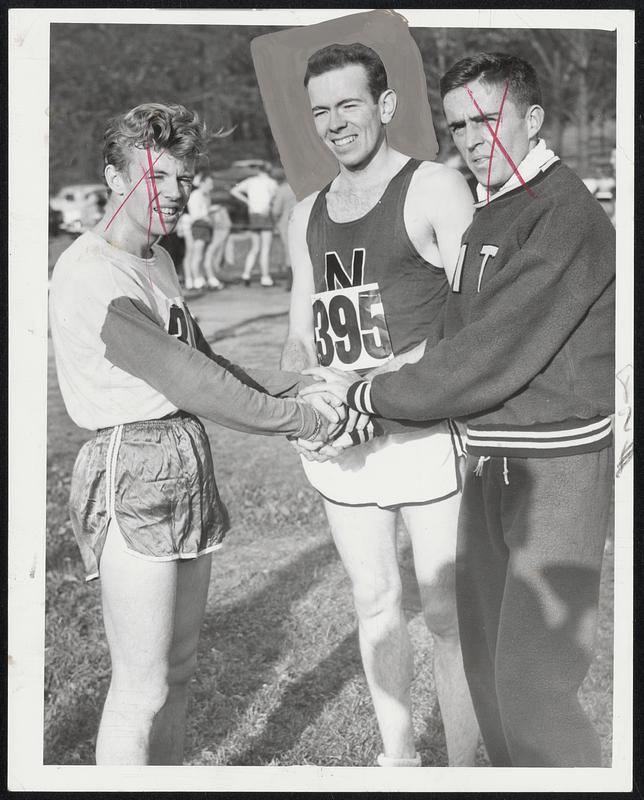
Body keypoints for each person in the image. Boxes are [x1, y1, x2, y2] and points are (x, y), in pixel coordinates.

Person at [303, 53, 615, 767]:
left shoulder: (564, 215)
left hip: (555, 468)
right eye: (458, 125)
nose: (474, 138)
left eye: (489, 119)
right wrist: (369, 389)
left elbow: (488, 356)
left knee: (534, 685)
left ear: (531, 119)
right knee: (484, 663)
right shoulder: (497, 204)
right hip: (491, 460)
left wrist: (368, 397)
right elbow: (453, 328)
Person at [49, 102, 340, 766]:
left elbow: (207, 360)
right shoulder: (92, 270)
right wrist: (301, 419)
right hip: (133, 466)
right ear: (114, 178)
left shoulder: (157, 261)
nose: (175, 194)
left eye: (182, 180)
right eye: (156, 178)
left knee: (178, 672)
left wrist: (288, 389)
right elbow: (193, 382)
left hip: (181, 459)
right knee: (141, 689)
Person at [281, 43, 479, 767]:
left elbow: (475, 318)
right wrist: (310, 392)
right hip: (347, 444)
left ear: (385, 106)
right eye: (322, 110)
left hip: (423, 433)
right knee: (374, 602)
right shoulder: (303, 215)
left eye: (349, 104)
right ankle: (399, 761)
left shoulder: (435, 187)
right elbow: (299, 334)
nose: (335, 123)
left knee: (449, 615)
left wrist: (385, 379)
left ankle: (465, 768)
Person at [230, 165, 278, 287]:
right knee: (265, 248)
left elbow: (234, 191)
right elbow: (273, 199)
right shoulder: (272, 182)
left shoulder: (250, 181)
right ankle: (265, 277)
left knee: (255, 247)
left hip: (253, 214)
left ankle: (246, 274)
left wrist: (248, 201)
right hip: (265, 214)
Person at [186, 172, 223, 290]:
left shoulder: (206, 196)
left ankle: (202, 278)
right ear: (202, 183)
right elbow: (195, 215)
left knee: (203, 254)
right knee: (197, 254)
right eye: (209, 183)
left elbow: (205, 211)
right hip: (199, 227)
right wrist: (207, 217)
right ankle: (197, 280)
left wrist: (212, 210)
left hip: (206, 227)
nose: (211, 186)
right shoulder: (195, 195)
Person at [270, 169, 297, 290]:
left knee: (289, 251)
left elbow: (276, 210)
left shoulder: (282, 190)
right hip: (305, 219)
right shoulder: (304, 186)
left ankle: (291, 282)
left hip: (287, 222)